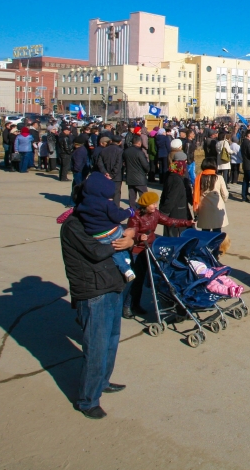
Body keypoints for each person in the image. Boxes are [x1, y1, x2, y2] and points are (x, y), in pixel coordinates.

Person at [59, 203, 134, 419]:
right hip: (93, 293)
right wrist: (122, 241)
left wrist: (129, 239)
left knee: (111, 340)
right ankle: (87, 399)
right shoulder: (74, 225)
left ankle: (102, 382)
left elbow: (120, 234)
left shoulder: (99, 219)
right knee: (96, 347)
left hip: (112, 286)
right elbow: (97, 251)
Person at [124, 191, 195, 318]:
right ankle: (128, 306)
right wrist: (140, 236)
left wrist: (186, 223)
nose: (155, 206)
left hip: (150, 248)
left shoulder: (155, 214)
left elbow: (169, 221)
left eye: (156, 203)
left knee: (153, 276)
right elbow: (130, 233)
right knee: (138, 280)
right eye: (152, 204)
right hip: (137, 251)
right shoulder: (135, 216)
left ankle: (136, 305)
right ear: (145, 205)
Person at [73, 172, 138, 282]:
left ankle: (126, 262)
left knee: (116, 249)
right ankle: (126, 268)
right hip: (112, 232)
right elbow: (117, 216)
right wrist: (129, 212)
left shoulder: (83, 204)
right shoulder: (106, 204)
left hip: (97, 235)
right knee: (118, 246)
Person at [159, 153, 194, 237]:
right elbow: (171, 197)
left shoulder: (171, 175)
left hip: (178, 211)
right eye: (185, 162)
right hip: (177, 212)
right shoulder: (176, 180)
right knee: (177, 235)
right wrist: (164, 213)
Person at [195, 161, 229, 232]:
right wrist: (224, 201)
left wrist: (195, 211)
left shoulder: (199, 178)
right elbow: (225, 193)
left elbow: (195, 194)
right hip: (217, 207)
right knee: (217, 231)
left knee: (205, 231)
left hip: (204, 208)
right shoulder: (219, 178)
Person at [123, 136, 150, 206]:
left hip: (130, 176)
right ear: (139, 143)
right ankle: (144, 209)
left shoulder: (126, 151)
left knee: (132, 196)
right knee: (144, 196)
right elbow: (145, 165)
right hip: (140, 177)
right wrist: (147, 170)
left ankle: (132, 210)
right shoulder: (139, 152)